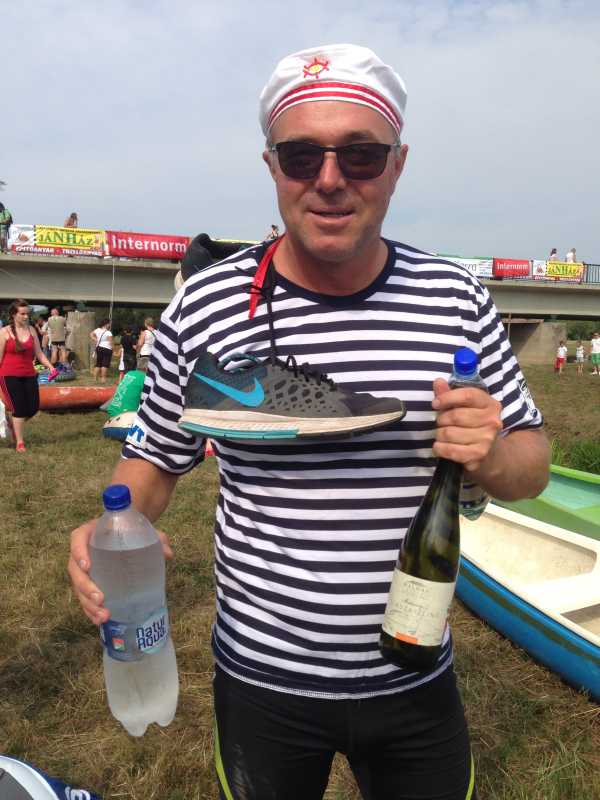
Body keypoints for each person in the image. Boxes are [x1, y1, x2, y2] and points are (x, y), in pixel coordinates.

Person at [69, 43, 549, 800]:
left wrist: (489, 454)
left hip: (415, 667)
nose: (329, 179)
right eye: (301, 156)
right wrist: (111, 524)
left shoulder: (455, 298)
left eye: (360, 155)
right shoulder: (205, 305)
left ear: (397, 165)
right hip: (260, 678)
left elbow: (532, 464)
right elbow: (155, 459)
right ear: (272, 166)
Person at [0, 299, 54, 451]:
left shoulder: (31, 330)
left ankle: (13, 422)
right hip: (8, 375)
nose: (26, 317)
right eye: (22, 314)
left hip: (29, 374)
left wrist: (50, 367)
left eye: (27, 314)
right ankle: (19, 442)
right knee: (19, 409)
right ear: (13, 314)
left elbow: (39, 353)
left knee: (33, 408)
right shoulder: (4, 332)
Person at [90, 318, 113, 383]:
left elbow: (91, 334)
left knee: (98, 363)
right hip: (107, 348)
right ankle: (103, 379)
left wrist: (95, 339)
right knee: (105, 364)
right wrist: (113, 349)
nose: (109, 325)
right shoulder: (108, 332)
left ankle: (95, 378)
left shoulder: (97, 330)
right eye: (109, 324)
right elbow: (110, 342)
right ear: (106, 324)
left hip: (99, 347)